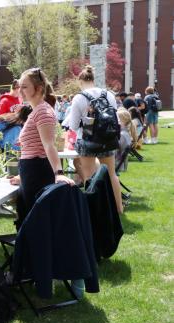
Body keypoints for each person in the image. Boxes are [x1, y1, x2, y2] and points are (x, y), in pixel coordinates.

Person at [9, 68, 74, 226]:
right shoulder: (36, 110)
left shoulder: (43, 112)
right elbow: (37, 146)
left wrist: (58, 173)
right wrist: (22, 177)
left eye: (25, 87)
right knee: (27, 217)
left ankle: (32, 251)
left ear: (38, 89)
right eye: (19, 87)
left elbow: (49, 145)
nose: (20, 91)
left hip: (36, 171)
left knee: (33, 222)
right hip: (31, 171)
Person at [63, 65, 123, 213]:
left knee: (90, 176)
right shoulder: (108, 94)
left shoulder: (79, 97)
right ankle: (118, 209)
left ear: (80, 81)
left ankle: (95, 210)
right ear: (93, 80)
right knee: (111, 174)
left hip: (88, 141)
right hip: (108, 139)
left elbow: (74, 125)